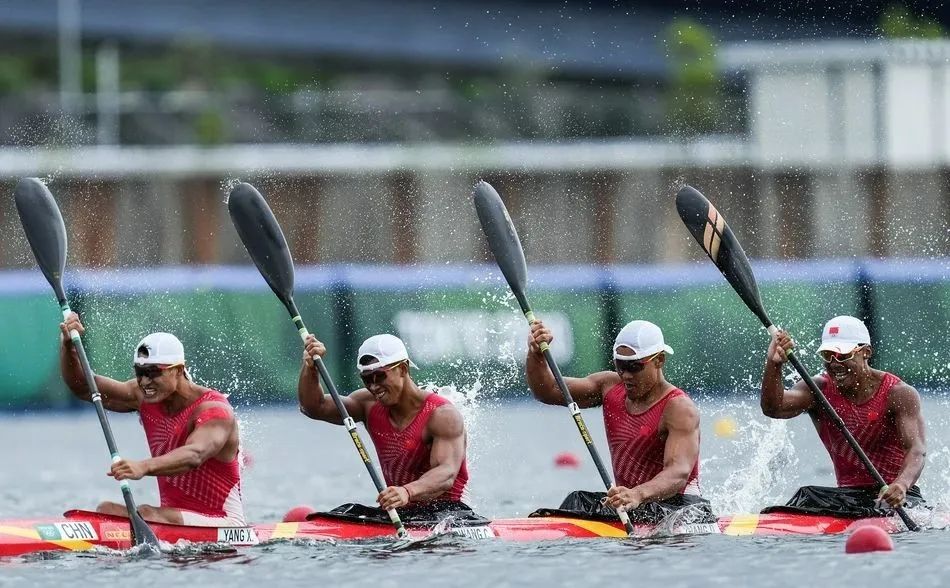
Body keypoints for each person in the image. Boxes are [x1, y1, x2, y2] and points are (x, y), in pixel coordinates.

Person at [59, 313, 246, 527]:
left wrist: (143, 467)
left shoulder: (214, 409)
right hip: (170, 519)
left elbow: (195, 454)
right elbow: (83, 387)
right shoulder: (143, 396)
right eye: (139, 372)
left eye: (153, 373)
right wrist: (69, 348)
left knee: (146, 512)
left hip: (223, 521)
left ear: (178, 369)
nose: (144, 381)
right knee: (106, 511)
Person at [526, 319, 711, 523]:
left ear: (659, 360)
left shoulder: (679, 409)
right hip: (631, 505)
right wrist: (536, 355)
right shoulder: (608, 386)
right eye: (620, 366)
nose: (626, 375)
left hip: (680, 508)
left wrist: (637, 494)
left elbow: (678, 473)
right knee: (577, 500)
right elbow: (548, 390)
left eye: (634, 366)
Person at [298, 333, 481, 523]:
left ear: (402, 368)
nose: (374, 386)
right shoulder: (367, 404)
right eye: (367, 379)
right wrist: (310, 367)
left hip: (446, 514)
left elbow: (446, 474)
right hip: (400, 512)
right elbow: (313, 407)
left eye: (380, 376)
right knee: (342, 512)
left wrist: (407, 492)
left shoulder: (442, 415)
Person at [762, 315, 927, 515]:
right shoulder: (818, 389)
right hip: (847, 498)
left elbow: (916, 450)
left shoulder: (899, 393)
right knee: (806, 494)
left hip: (896, 498)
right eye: (828, 355)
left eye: (842, 355)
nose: (834, 364)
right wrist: (774, 364)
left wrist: (901, 485)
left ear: (866, 353)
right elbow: (774, 408)